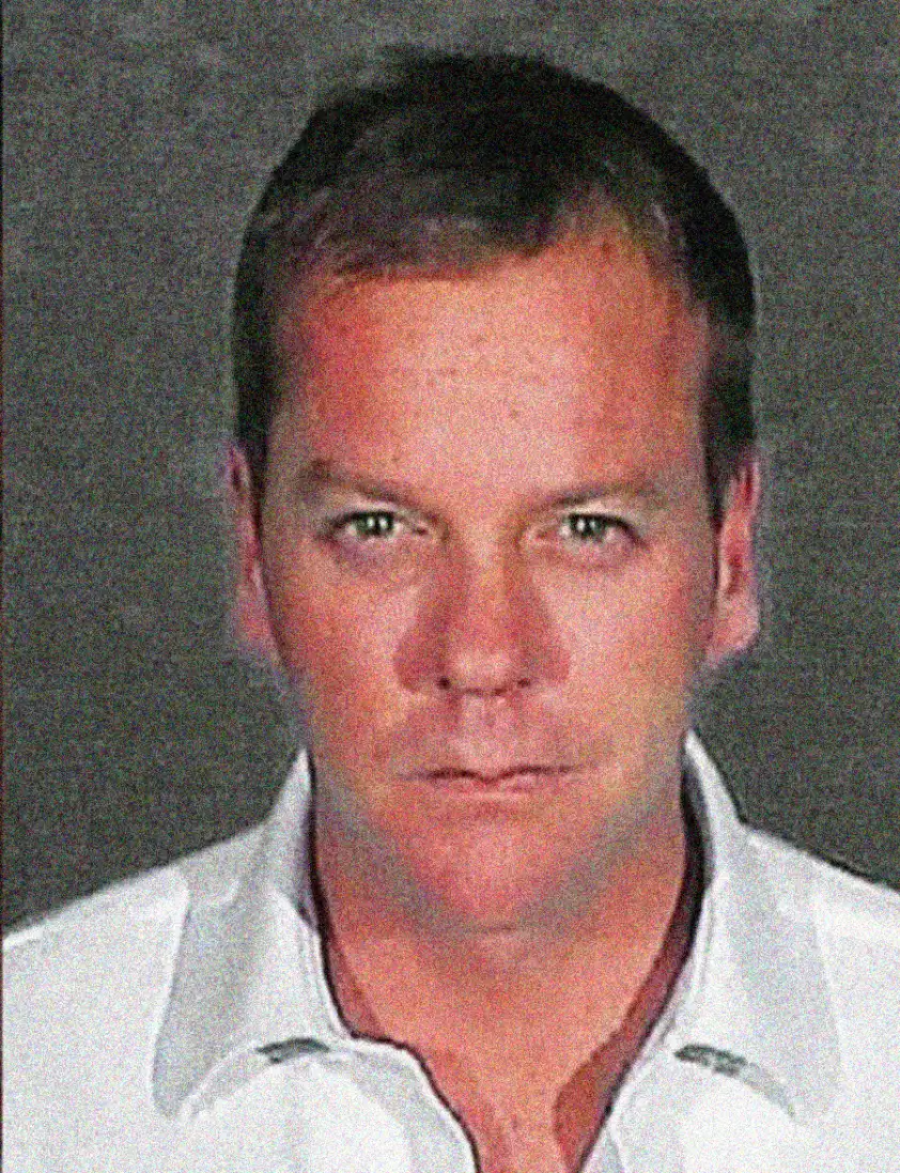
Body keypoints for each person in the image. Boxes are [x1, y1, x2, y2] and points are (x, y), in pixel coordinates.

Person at [4, 48, 899, 1173]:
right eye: (380, 530)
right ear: (250, 553)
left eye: (585, 531)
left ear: (730, 556)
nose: (480, 654)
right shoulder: (29, 1084)